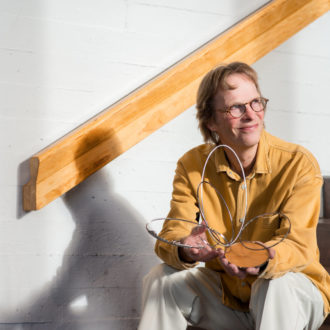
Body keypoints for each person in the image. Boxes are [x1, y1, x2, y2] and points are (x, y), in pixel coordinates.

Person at [138, 62, 330, 330]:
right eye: (236, 108)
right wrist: (187, 248)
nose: (251, 115)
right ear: (211, 121)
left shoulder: (298, 163)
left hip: (294, 295)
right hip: (230, 297)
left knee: (273, 284)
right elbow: (170, 237)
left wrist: (261, 258)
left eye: (256, 103)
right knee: (161, 280)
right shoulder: (192, 165)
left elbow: (299, 247)